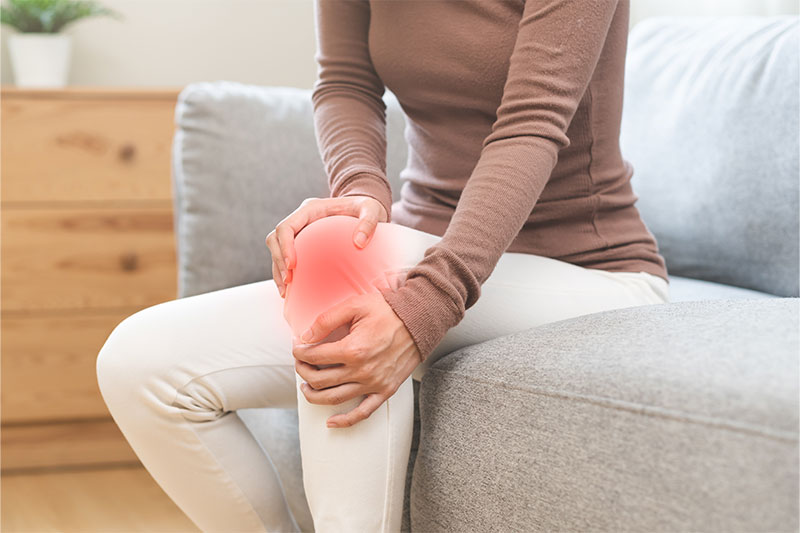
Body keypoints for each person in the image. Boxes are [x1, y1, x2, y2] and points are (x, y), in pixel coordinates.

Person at [95, 0, 670, 531]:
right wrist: (360, 191)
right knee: (140, 366)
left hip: (589, 273)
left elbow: (533, 121)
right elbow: (344, 81)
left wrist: (425, 302)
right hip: (413, 247)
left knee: (342, 262)